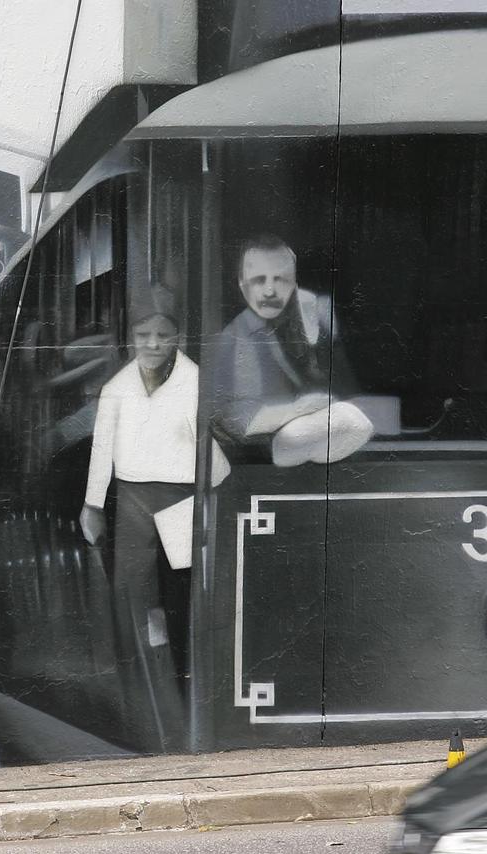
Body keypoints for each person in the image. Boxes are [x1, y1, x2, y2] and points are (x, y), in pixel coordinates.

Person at [79, 290, 226, 753]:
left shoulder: (194, 382)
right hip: (133, 503)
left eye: (163, 335)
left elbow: (208, 451)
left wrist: (209, 496)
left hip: (182, 500)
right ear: (131, 339)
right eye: (144, 335)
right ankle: (148, 706)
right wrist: (93, 506)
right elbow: (102, 450)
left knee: (182, 598)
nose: (153, 344)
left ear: (177, 337)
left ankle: (186, 709)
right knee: (135, 599)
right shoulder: (116, 389)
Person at [214, 234, 373, 467]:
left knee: (355, 421)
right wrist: (297, 410)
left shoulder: (313, 313)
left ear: (294, 283)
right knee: (349, 421)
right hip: (259, 451)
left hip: (311, 434)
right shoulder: (235, 337)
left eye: (281, 279)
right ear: (242, 284)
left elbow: (344, 387)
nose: (270, 290)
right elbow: (236, 422)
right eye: (259, 280)